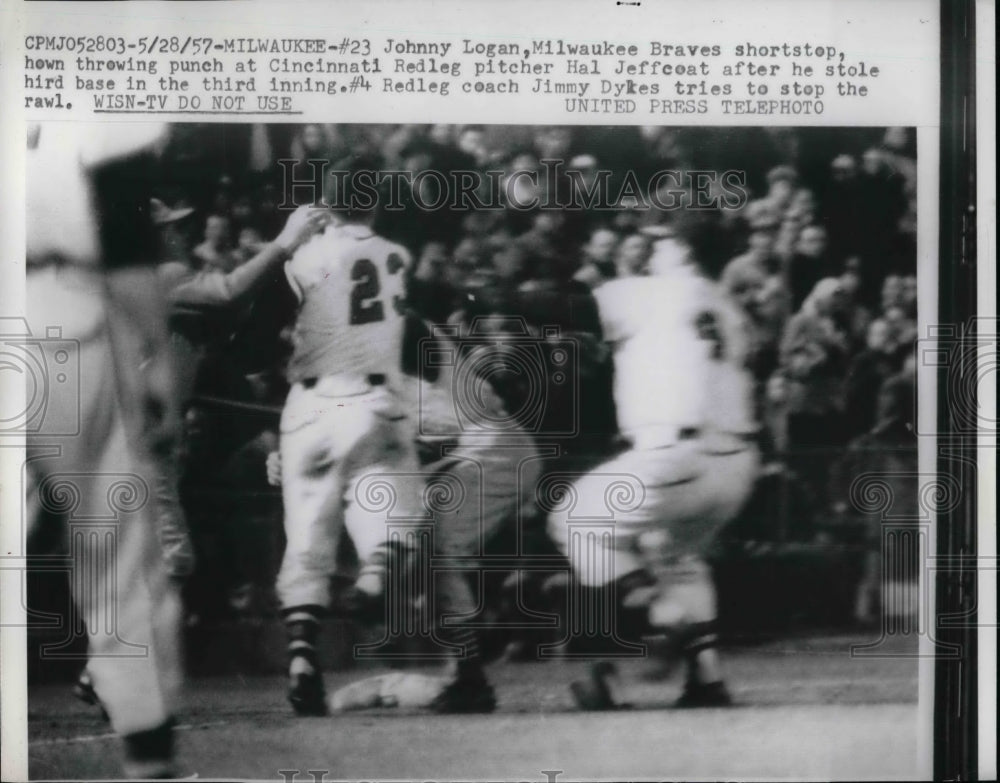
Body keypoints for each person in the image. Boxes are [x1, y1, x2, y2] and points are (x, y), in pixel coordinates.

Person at [24, 122, 185, 778]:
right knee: (111, 545)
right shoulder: (97, 97)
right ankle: (148, 752)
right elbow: (124, 236)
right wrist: (156, 356)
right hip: (58, 312)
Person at [547, 244, 760, 710]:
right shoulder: (719, 299)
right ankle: (707, 680)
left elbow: (564, 308)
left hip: (681, 453)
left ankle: (665, 617)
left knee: (571, 519)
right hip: (738, 459)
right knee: (675, 554)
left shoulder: (643, 289)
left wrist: (488, 300)